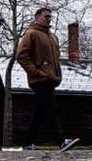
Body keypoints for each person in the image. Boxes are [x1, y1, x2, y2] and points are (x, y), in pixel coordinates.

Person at [17, 8, 79, 152]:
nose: (49, 19)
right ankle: (61, 140)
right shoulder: (31, 34)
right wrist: (36, 71)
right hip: (39, 79)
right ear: (37, 17)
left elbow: (55, 59)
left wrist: (56, 74)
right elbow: (21, 55)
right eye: (46, 16)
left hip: (51, 78)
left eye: (50, 17)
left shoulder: (52, 37)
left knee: (40, 111)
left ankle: (28, 142)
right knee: (49, 109)